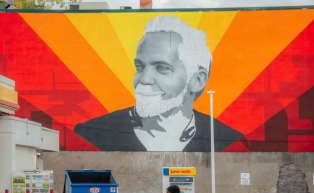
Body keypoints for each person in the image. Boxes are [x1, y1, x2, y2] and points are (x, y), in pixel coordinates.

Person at [74, 16, 243, 151]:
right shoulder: (90, 134)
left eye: (162, 68)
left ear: (197, 80)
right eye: (140, 67)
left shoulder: (229, 141)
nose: (144, 80)